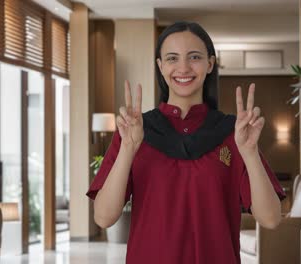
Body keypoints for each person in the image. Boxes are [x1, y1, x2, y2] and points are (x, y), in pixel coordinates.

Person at [86, 21, 285, 264]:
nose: (183, 67)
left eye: (194, 57)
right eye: (172, 58)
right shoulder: (135, 131)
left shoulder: (235, 133)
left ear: (210, 63)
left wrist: (251, 153)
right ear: (160, 66)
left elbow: (271, 219)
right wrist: (128, 150)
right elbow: (104, 217)